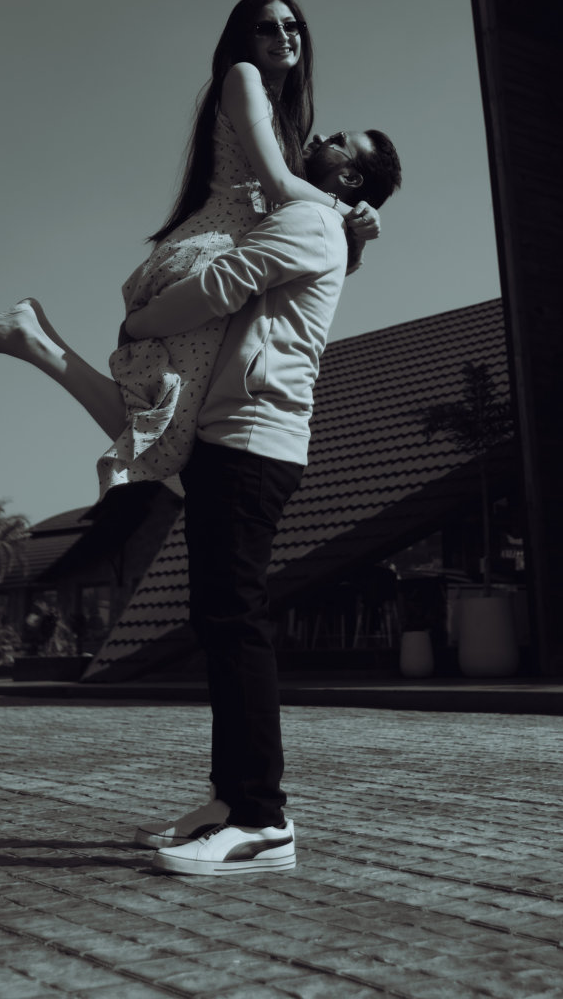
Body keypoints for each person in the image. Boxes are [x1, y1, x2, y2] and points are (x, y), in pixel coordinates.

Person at [0, 0, 380, 497]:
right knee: (168, 442)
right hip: (211, 254)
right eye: (267, 27)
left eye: (291, 26)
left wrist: (350, 229)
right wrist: (349, 213)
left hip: (223, 251)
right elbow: (278, 187)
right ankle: (30, 340)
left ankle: (29, 337)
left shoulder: (281, 113)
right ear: (244, 39)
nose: (283, 36)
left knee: (169, 430)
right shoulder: (244, 77)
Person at [128, 127, 402, 876]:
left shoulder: (313, 217)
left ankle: (262, 819)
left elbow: (226, 284)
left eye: (342, 140)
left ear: (349, 181)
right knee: (218, 619)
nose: (321, 134)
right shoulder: (326, 221)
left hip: (254, 437)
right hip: (237, 435)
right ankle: (228, 798)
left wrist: (138, 323)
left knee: (236, 620)